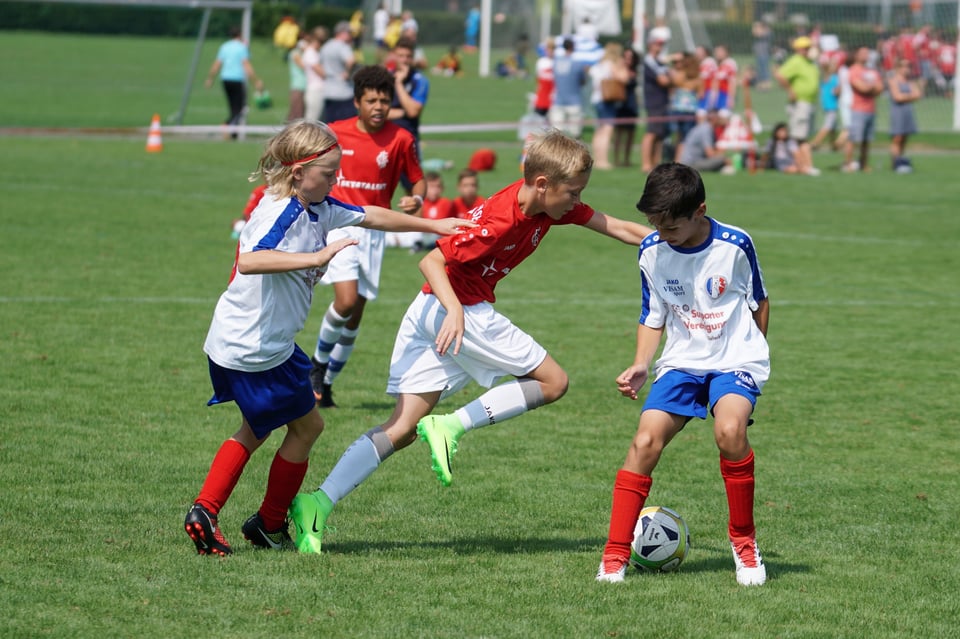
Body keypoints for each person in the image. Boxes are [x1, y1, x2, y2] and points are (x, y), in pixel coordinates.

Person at [287, 129, 654, 555]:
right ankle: (450, 425)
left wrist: (672, 239)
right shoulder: (501, 218)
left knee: (402, 428)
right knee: (554, 382)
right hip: (457, 311)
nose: (577, 201)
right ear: (542, 184)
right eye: (572, 193)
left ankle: (317, 503)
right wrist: (457, 310)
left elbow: (617, 227)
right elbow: (432, 260)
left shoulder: (550, 206)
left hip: (431, 312)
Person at [182, 119, 473, 557]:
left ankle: (257, 520)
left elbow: (369, 214)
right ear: (298, 172)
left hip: (264, 343)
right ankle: (228, 514)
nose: (335, 180)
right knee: (288, 427)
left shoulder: (316, 203)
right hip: (253, 345)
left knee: (290, 426)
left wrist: (436, 225)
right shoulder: (281, 209)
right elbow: (250, 259)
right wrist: (315, 257)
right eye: (328, 173)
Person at [596, 162, 770, 585]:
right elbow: (651, 315)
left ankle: (744, 544)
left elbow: (759, 301)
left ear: (700, 210)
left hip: (734, 360)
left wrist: (752, 355)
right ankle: (615, 556)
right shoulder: (652, 250)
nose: (660, 232)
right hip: (681, 362)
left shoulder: (735, 244)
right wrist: (641, 363)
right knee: (644, 441)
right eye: (653, 223)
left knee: (730, 431)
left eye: (670, 225)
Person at [309, 65, 427, 409]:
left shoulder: (401, 138)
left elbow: (417, 179)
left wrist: (416, 198)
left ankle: (326, 385)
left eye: (384, 101)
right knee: (345, 301)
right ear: (357, 102)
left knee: (356, 312)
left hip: (375, 230)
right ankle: (316, 366)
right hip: (339, 224)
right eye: (372, 100)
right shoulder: (334, 133)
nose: (379, 106)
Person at [204, 26, 263, 140]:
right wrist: (255, 80)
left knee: (232, 106)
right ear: (240, 35)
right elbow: (246, 65)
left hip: (225, 79)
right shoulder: (241, 48)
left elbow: (217, 63)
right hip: (237, 79)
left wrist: (210, 78)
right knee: (240, 107)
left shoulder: (224, 46)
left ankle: (233, 132)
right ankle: (227, 125)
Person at [388, 36, 430, 191]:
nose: (404, 60)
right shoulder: (384, 77)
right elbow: (371, 113)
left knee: (414, 190)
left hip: (408, 140)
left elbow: (413, 111)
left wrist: (398, 83)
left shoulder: (420, 80)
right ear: (394, 56)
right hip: (384, 140)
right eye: (401, 56)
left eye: (408, 56)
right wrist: (401, 112)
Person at [774, 36, 820, 175]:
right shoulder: (796, 61)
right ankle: (804, 165)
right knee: (799, 136)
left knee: (803, 136)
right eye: (805, 48)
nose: (808, 50)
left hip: (809, 102)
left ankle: (804, 165)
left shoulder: (810, 62)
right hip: (800, 103)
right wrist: (790, 90)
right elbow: (780, 75)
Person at [844, 46, 886, 172]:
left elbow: (880, 88)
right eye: (863, 53)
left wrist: (870, 87)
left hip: (871, 109)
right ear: (856, 55)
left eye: (867, 53)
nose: (866, 55)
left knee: (867, 140)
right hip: (858, 109)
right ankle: (849, 163)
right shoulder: (853, 70)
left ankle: (864, 164)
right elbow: (861, 87)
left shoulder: (872, 71)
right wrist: (871, 86)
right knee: (853, 138)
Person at [590, 42, 629, 170]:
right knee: (607, 130)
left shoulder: (599, 65)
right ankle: (603, 160)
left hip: (596, 99)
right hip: (606, 100)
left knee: (599, 130)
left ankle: (596, 158)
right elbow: (623, 78)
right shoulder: (611, 65)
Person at [640, 32, 672, 172]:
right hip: (654, 102)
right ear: (650, 45)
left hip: (662, 102)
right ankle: (646, 163)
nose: (659, 46)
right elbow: (664, 80)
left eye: (661, 44)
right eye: (657, 43)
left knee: (660, 134)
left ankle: (655, 163)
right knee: (651, 133)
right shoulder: (649, 61)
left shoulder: (660, 61)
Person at [549, 38, 589, 138]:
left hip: (558, 100)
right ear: (573, 47)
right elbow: (583, 81)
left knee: (556, 135)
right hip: (574, 101)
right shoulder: (578, 64)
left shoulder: (555, 62)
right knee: (575, 135)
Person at [668, 51, 703, 166]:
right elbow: (701, 94)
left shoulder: (679, 74)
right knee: (686, 137)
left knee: (679, 136)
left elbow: (673, 82)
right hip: (690, 109)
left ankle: (677, 160)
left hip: (677, 108)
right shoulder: (697, 77)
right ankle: (680, 160)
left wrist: (672, 58)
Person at [319, 21, 357, 124]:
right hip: (344, 92)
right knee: (347, 127)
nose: (351, 36)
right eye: (349, 33)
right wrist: (347, 73)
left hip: (328, 91)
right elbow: (351, 60)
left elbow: (320, 66)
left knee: (331, 128)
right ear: (343, 33)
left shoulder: (326, 46)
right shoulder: (343, 46)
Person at [887, 59, 921, 172]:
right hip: (898, 112)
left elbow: (918, 94)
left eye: (908, 66)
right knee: (897, 137)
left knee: (905, 137)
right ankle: (895, 161)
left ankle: (900, 160)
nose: (906, 68)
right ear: (898, 68)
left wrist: (905, 96)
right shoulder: (893, 80)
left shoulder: (910, 81)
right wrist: (910, 95)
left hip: (907, 111)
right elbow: (897, 97)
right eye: (903, 66)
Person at [613, 46, 640, 167]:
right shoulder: (620, 69)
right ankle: (617, 159)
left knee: (630, 134)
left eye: (631, 57)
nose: (628, 60)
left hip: (631, 104)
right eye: (626, 57)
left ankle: (626, 159)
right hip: (620, 103)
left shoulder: (635, 71)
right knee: (618, 133)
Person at [810, 57, 842, 150]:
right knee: (828, 125)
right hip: (832, 105)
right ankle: (815, 142)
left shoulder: (824, 78)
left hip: (826, 105)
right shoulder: (834, 78)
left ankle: (833, 145)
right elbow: (837, 91)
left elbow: (821, 90)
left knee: (833, 126)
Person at [302, 27, 328, 122]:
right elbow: (322, 73)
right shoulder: (310, 53)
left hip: (318, 89)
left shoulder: (315, 52)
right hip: (315, 90)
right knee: (312, 122)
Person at [286, 31, 307, 121]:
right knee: (296, 112)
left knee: (301, 110)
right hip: (298, 85)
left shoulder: (301, 53)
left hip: (304, 85)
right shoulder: (295, 53)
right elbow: (304, 66)